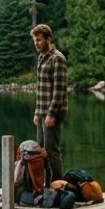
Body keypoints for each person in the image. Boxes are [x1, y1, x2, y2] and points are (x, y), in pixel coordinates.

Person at [30, 23, 68, 180]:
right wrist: (37, 112)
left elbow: (59, 91)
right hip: (42, 111)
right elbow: (41, 89)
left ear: (48, 39)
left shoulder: (57, 59)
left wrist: (51, 114)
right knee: (40, 151)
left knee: (51, 150)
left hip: (54, 111)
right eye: (34, 40)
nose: (36, 43)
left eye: (39, 40)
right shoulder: (41, 58)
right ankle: (44, 185)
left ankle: (58, 185)